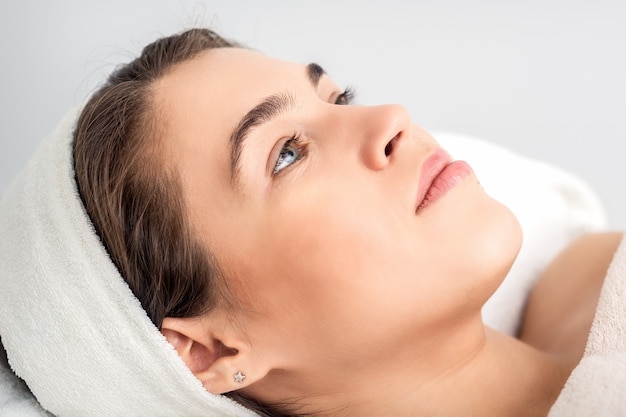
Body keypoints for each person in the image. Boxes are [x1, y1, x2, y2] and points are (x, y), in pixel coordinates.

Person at [1, 27, 624, 417]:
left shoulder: (587, 281)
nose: (391, 118)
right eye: (288, 154)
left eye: (338, 98)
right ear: (210, 349)